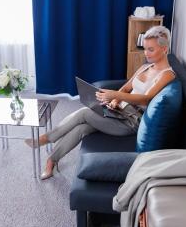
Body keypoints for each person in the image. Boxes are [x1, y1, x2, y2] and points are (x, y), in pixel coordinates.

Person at [25, 25, 176, 180]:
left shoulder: (167, 75)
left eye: (150, 49)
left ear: (164, 49)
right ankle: (52, 161)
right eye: (145, 49)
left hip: (131, 122)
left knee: (84, 113)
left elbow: (146, 98)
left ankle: (46, 139)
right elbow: (126, 87)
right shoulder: (146, 67)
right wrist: (115, 100)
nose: (146, 53)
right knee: (81, 129)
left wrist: (115, 95)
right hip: (120, 111)